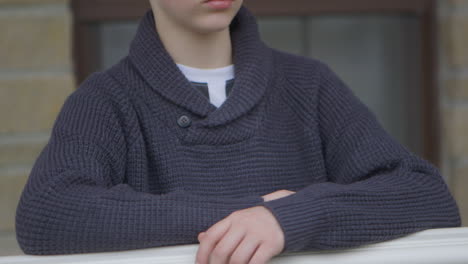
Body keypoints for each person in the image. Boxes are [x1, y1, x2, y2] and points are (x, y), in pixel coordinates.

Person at [15, 0, 461, 263]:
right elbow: (49, 214)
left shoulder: (309, 85)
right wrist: (251, 213)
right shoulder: (107, 100)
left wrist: (296, 218)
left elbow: (426, 196)